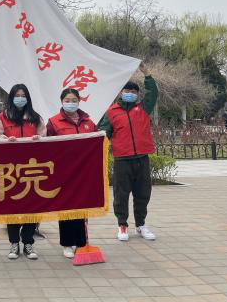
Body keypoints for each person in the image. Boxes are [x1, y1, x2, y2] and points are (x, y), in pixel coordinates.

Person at [99, 62, 158, 242]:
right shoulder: (111, 112)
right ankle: (122, 225)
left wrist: (147, 74)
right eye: (127, 91)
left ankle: (141, 225)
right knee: (121, 194)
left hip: (142, 158)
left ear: (137, 95)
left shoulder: (143, 109)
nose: (130, 94)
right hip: (122, 160)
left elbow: (153, 93)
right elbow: (103, 134)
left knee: (143, 193)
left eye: (133, 92)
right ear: (120, 93)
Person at [0, 84, 45, 260]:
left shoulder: (35, 118)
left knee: (32, 206)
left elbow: (45, 137)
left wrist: (39, 139)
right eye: (17, 95)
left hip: (31, 168)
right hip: (10, 169)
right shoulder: (2, 117)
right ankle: (14, 242)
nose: (20, 99)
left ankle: (28, 242)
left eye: (23, 96)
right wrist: (4, 139)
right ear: (11, 97)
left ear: (27, 98)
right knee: (12, 205)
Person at [46, 88, 96, 260]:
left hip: (83, 173)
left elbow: (96, 144)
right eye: (67, 100)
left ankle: (81, 242)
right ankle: (67, 243)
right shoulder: (53, 122)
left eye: (74, 100)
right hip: (64, 172)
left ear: (79, 101)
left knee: (81, 206)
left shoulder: (88, 122)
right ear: (61, 101)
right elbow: (48, 147)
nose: (71, 103)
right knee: (66, 207)